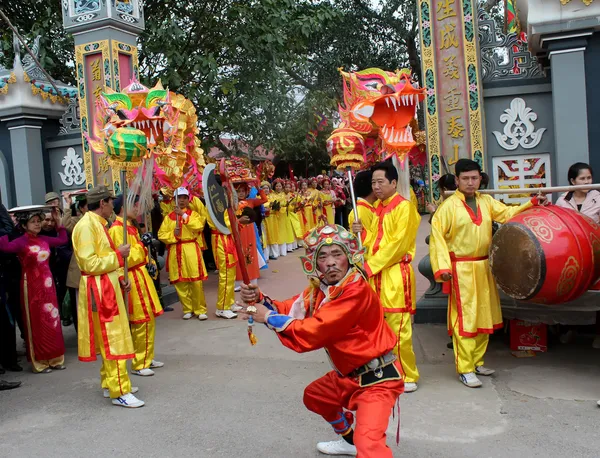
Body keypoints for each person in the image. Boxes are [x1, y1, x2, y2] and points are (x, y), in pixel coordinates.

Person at [237, 224, 403, 458]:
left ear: (348, 257)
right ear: (315, 264)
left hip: (377, 381)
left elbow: (316, 330)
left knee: (370, 447)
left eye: (337, 254)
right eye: (323, 256)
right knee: (316, 395)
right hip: (349, 377)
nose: (331, 262)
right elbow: (290, 308)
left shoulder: (355, 289)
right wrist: (260, 299)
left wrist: (267, 317)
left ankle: (359, 443)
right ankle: (349, 440)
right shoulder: (323, 290)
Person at [429, 159, 547, 388]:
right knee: (466, 319)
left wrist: (531, 203)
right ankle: (464, 367)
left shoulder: (487, 202)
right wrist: (442, 268)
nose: (471, 182)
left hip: (484, 266)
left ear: (480, 179)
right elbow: (437, 239)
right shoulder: (448, 207)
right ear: (457, 180)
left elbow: (507, 213)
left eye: (475, 178)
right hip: (461, 269)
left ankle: (477, 361)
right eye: (466, 179)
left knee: (485, 314)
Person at [352, 161, 421, 393]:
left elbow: (397, 245)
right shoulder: (378, 209)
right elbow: (374, 241)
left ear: (394, 182)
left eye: (381, 181)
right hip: (376, 275)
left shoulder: (404, 208)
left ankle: (407, 374)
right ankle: (387, 370)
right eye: (373, 183)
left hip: (394, 275)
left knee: (399, 328)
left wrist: (370, 267)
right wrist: (361, 233)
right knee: (378, 326)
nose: (376, 186)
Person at [72, 185, 143, 408]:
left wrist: (119, 276)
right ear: (102, 203)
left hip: (106, 285)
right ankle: (119, 390)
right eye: (111, 201)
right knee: (114, 340)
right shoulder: (86, 227)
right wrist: (117, 256)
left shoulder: (98, 224)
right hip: (100, 290)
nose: (113, 205)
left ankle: (110, 383)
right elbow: (89, 263)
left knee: (110, 339)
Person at [0, 208, 67, 374]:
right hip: (31, 286)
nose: (38, 224)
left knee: (52, 321)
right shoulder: (21, 242)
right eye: (33, 222)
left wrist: (59, 223)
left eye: (39, 221)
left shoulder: (44, 239)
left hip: (48, 286)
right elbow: (4, 247)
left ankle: (55, 358)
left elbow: (62, 239)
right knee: (37, 322)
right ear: (24, 225)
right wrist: (4, 227)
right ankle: (41, 362)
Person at [109, 195, 164, 377]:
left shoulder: (130, 227)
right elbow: (125, 259)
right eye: (133, 204)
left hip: (141, 275)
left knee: (148, 320)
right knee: (141, 321)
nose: (137, 207)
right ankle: (140, 363)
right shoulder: (118, 229)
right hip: (133, 277)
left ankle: (146, 357)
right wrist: (142, 245)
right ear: (123, 208)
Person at [555, 162, 600, 349]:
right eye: (582, 178)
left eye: (589, 178)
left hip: (595, 252)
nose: (587, 182)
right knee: (568, 292)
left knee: (595, 295)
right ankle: (568, 330)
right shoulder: (562, 201)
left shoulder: (598, 197)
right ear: (573, 180)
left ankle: (597, 333)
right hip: (571, 255)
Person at [158, 187, 209, 321]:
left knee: (196, 281)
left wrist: (183, 215)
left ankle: (200, 309)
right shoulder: (169, 218)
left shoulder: (194, 215)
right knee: (180, 282)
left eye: (184, 198)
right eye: (178, 198)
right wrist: (172, 235)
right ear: (174, 200)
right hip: (176, 249)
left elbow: (198, 226)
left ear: (188, 200)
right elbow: (161, 234)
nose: (181, 200)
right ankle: (187, 308)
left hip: (191, 248)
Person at [0, 201, 23, 374]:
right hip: (6, 275)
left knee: (8, 321)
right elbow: (8, 230)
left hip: (8, 275)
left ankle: (9, 360)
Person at [44, 192, 73, 327]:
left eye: (55, 202)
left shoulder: (64, 217)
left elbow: (64, 238)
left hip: (64, 263)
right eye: (50, 203)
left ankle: (65, 314)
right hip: (49, 265)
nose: (54, 205)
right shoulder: (43, 229)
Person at [63, 193, 88, 331]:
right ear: (82, 209)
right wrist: (67, 204)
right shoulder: (78, 221)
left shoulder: (101, 221)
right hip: (79, 269)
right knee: (80, 307)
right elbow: (65, 223)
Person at [348, 170, 376, 246]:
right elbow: (365, 243)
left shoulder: (369, 207)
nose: (378, 186)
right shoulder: (360, 211)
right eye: (375, 183)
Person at [262, 181, 281, 260]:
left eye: (267, 188)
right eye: (264, 188)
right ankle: (266, 256)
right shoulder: (259, 197)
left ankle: (274, 254)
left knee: (273, 235)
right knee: (265, 237)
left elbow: (278, 206)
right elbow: (261, 206)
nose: (266, 190)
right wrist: (268, 206)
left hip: (273, 218)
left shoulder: (272, 197)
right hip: (264, 219)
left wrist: (276, 206)